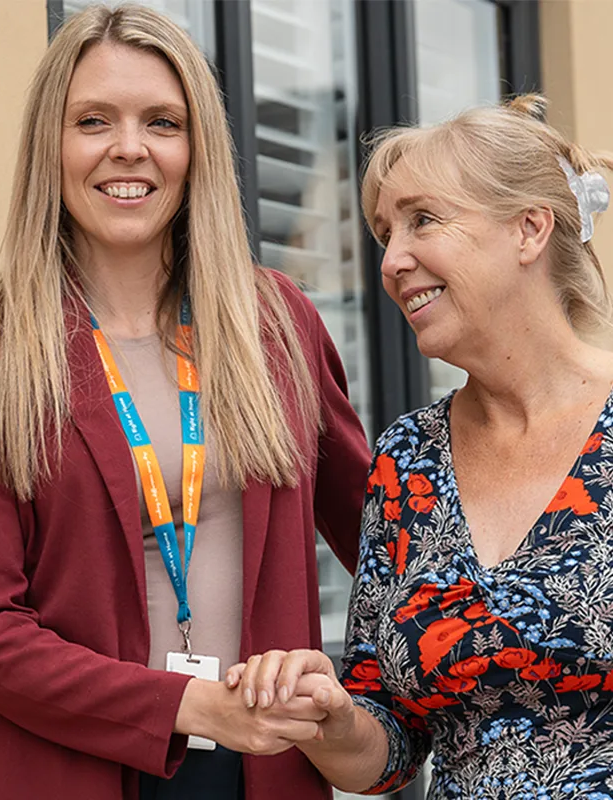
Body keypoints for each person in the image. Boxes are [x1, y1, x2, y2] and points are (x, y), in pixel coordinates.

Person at [0, 4, 370, 800]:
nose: (129, 148)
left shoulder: (279, 323)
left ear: (196, 148)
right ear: (51, 147)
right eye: (94, 120)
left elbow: (388, 546)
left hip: (264, 770)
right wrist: (191, 704)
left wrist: (364, 709)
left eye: (162, 122)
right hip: (67, 773)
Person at [227, 93, 613, 798]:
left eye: (423, 221)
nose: (392, 260)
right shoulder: (407, 459)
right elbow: (392, 746)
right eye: (385, 234)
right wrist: (332, 717)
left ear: (528, 230)